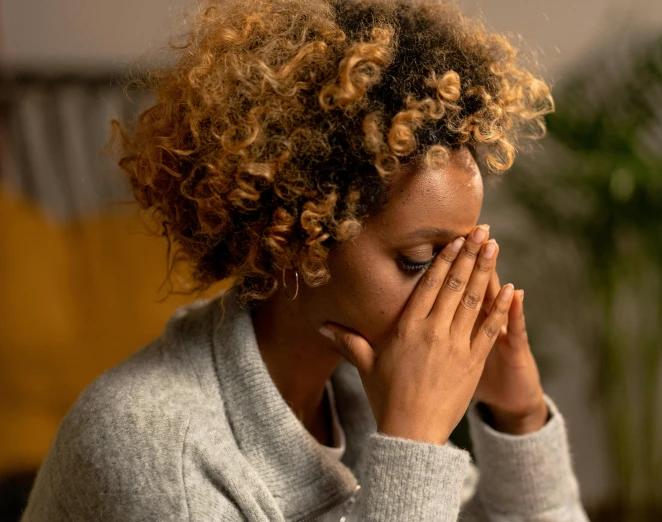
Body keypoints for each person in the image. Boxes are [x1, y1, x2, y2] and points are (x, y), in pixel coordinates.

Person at [22, 0, 589, 520]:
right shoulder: (153, 450)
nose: (458, 292)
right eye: (420, 259)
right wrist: (412, 445)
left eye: (465, 254)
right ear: (296, 236)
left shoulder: (358, 394)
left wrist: (518, 417)